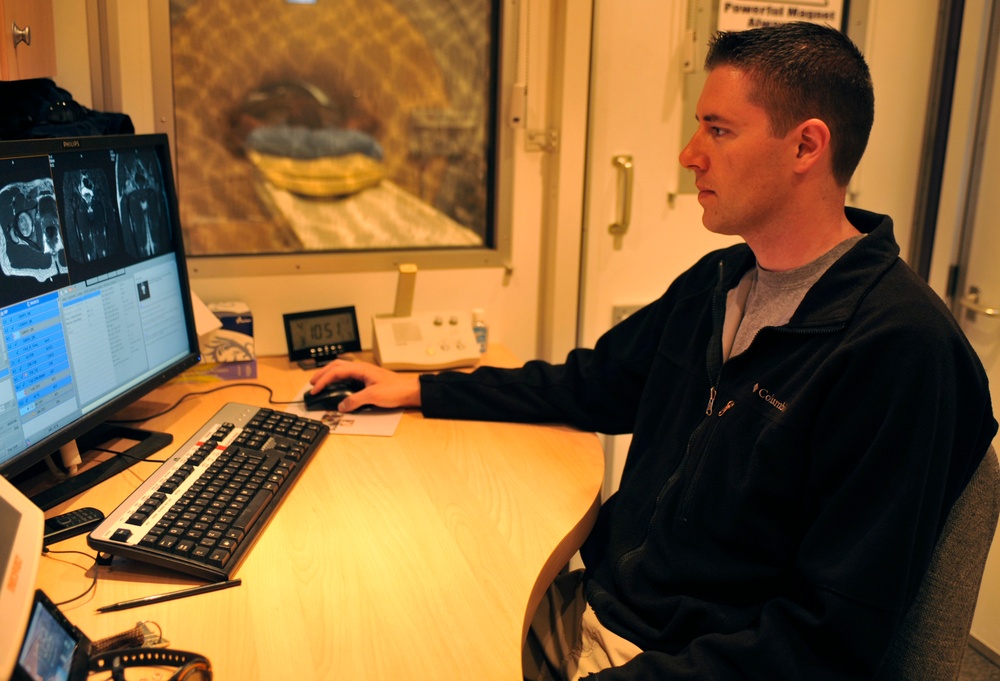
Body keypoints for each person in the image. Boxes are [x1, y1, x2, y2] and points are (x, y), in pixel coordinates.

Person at [310, 21, 997, 680]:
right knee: (378, 618)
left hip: (670, 662)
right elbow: (589, 385)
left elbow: (822, 644)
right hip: (594, 614)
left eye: (718, 130)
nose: (689, 154)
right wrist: (420, 388)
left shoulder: (901, 352)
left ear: (806, 147)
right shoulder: (721, 282)